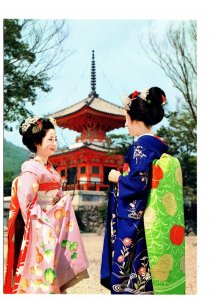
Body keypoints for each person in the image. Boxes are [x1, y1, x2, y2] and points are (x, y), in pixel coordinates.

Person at [4, 116, 89, 294]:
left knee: (52, 269)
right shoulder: (31, 168)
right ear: (37, 142)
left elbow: (57, 197)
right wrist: (40, 226)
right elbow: (26, 200)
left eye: (55, 139)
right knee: (40, 272)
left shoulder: (52, 170)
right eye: (50, 139)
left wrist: (61, 203)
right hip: (40, 227)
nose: (54, 143)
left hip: (52, 224)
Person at [100, 87, 170, 294]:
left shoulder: (140, 147)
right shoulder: (156, 145)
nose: (125, 125)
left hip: (135, 218)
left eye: (126, 120)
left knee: (130, 268)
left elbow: (139, 182)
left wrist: (118, 178)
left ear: (136, 120)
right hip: (150, 215)